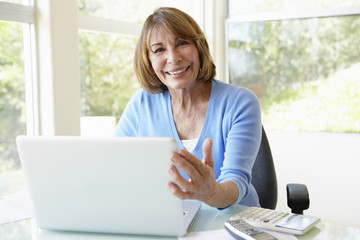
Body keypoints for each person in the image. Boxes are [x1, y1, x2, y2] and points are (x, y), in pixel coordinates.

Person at [114, 7, 262, 209]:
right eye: (159, 49)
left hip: (232, 224)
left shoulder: (239, 102)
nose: (173, 58)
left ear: (199, 48)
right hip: (168, 222)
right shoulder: (141, 105)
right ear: (149, 61)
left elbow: (237, 180)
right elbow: (114, 167)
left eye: (182, 43)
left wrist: (212, 193)